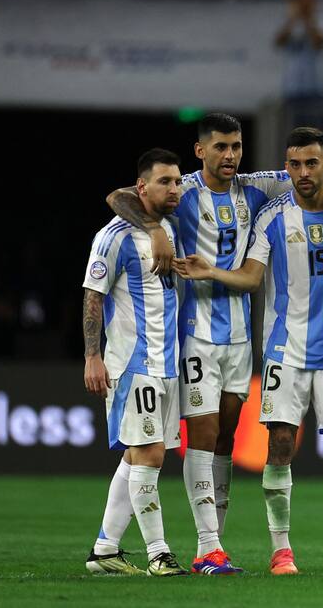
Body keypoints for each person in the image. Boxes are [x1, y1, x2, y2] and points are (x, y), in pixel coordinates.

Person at [106, 113, 323, 574]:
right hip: (196, 333)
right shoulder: (182, 189)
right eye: (221, 147)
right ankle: (206, 546)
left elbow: (319, 169)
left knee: (226, 436)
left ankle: (215, 545)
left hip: (242, 335)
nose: (230, 156)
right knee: (202, 437)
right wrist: (152, 228)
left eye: (236, 146)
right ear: (200, 151)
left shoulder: (255, 187)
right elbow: (119, 196)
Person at [174, 127, 323, 577]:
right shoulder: (270, 216)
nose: (302, 173)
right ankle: (281, 551)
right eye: (294, 164)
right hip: (284, 351)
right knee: (280, 445)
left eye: (312, 163)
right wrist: (211, 270)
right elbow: (251, 277)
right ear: (285, 167)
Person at [82, 148, 188, 576]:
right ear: (140, 187)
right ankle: (159, 554)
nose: (175, 189)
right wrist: (92, 355)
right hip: (133, 362)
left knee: (144, 455)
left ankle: (105, 550)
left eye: (178, 181)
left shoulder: (168, 228)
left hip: (166, 363)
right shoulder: (114, 237)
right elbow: (93, 295)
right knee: (147, 454)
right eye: (165, 181)